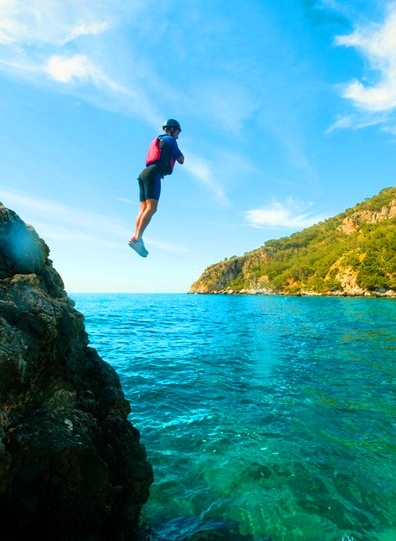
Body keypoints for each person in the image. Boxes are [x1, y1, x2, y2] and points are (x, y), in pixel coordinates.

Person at [128, 119, 185, 257]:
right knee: (152, 208)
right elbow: (181, 159)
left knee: (143, 208)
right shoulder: (171, 140)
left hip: (144, 173)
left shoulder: (158, 140)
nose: (178, 135)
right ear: (171, 129)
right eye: (177, 131)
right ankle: (138, 238)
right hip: (154, 174)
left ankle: (135, 236)